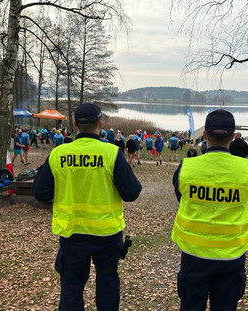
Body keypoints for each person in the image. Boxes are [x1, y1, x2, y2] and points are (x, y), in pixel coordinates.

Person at [32, 103, 142, 311]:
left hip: (72, 232)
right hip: (106, 233)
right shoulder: (111, 153)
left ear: (74, 125)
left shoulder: (58, 154)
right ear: (100, 125)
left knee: (72, 287)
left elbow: (40, 193)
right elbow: (132, 192)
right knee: (107, 283)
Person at [172, 109, 248, 311]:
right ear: (232, 136)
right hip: (232, 255)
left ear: (204, 135)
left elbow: (181, 198)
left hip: (193, 255)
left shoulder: (187, 166)